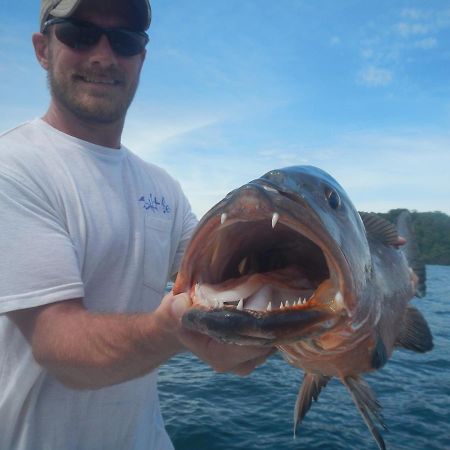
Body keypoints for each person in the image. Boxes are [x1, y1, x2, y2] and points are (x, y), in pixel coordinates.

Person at [0, 1, 274, 449]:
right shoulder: (14, 167)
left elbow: (230, 271)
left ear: (141, 57)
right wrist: (173, 330)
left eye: (125, 40)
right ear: (42, 49)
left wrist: (345, 267)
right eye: (80, 33)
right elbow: (56, 345)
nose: (104, 56)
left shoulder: (162, 187)